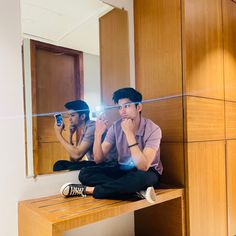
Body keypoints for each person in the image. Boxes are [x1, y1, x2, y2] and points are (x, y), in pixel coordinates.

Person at [60, 88, 163, 203]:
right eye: (120, 107)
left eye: (127, 106)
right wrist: (98, 134)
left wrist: (129, 134)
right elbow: (98, 159)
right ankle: (135, 192)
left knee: (139, 178)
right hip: (123, 170)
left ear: (138, 107)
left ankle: (89, 190)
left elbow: (143, 166)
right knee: (85, 173)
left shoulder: (153, 129)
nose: (122, 111)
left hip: (147, 172)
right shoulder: (116, 127)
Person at [53, 99, 97, 171]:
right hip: (93, 163)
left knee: (71, 168)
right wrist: (70, 135)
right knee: (59, 164)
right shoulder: (84, 130)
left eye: (72, 115)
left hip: (103, 164)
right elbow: (73, 159)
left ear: (82, 116)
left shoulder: (92, 127)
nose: (69, 119)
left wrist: (58, 134)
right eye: (69, 116)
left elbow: (77, 155)